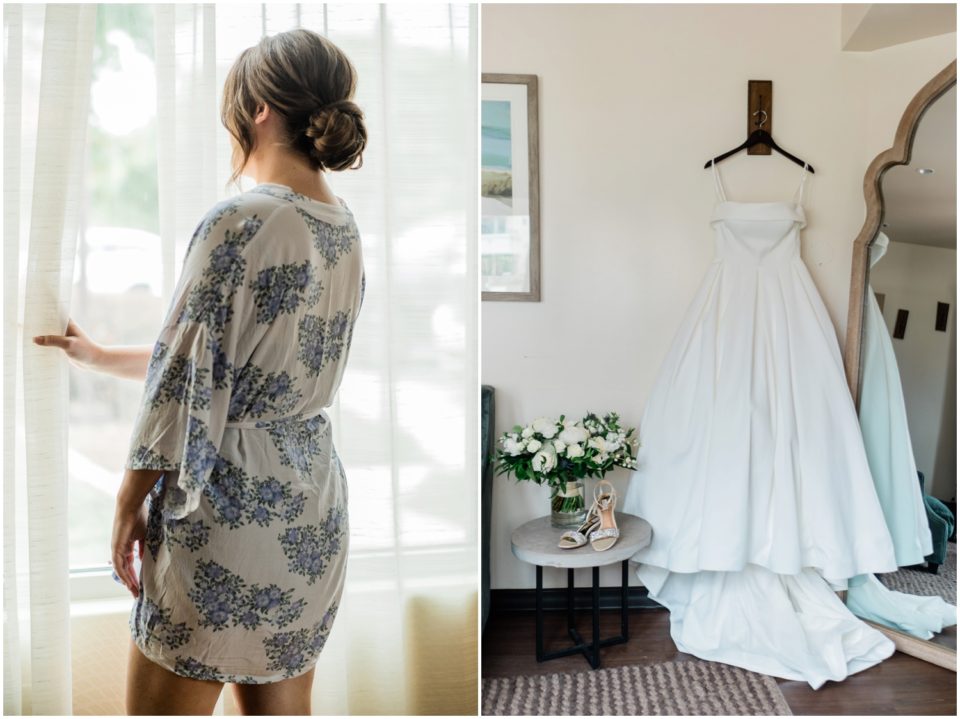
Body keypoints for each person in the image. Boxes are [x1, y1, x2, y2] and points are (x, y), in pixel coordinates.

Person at [33, 28, 367, 715]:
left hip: (225, 514)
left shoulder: (240, 219)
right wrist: (97, 355)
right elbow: (229, 366)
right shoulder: (343, 227)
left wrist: (128, 504)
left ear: (260, 112)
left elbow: (186, 382)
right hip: (310, 515)